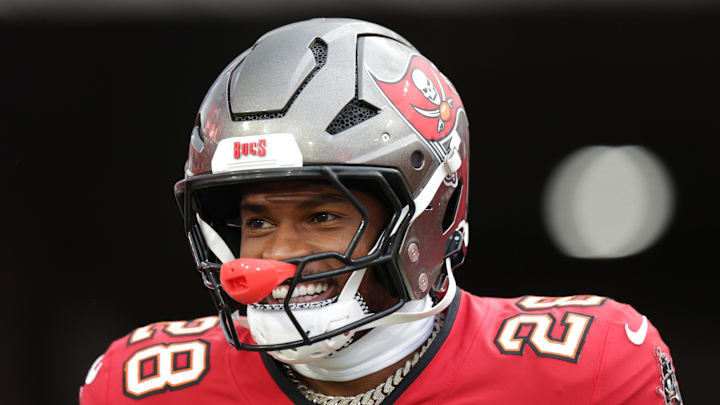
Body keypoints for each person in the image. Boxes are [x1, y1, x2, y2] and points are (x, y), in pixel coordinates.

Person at [79, 18, 682, 405]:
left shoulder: (587, 371)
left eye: (321, 217)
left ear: (429, 212)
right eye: (258, 221)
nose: (276, 255)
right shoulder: (136, 386)